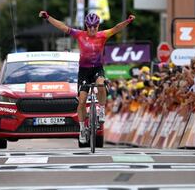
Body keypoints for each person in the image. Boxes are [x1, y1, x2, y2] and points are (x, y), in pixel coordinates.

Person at [39, 10, 135, 143]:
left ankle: (101, 109)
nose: (92, 29)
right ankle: (82, 128)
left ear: (98, 26)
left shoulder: (102, 35)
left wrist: (128, 21)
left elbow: (116, 28)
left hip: (97, 68)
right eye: (90, 26)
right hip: (83, 71)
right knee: (82, 101)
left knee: (101, 84)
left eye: (95, 26)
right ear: (86, 26)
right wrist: (48, 17)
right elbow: (62, 26)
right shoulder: (79, 35)